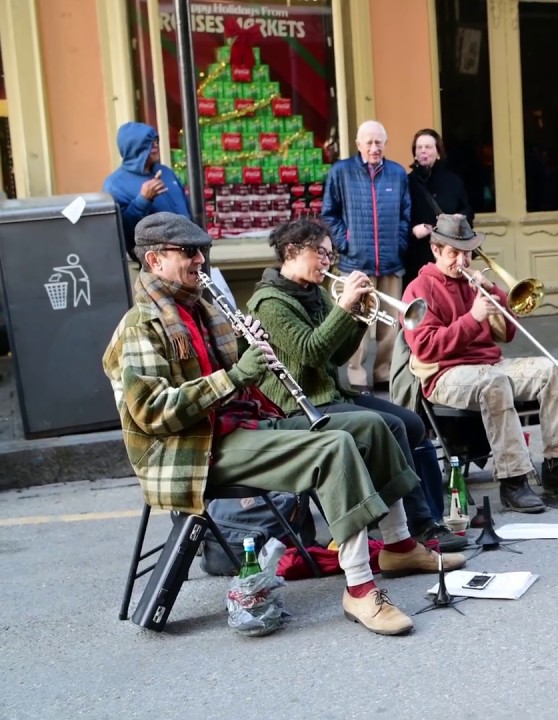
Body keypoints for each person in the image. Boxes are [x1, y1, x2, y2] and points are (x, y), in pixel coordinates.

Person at [101, 212, 451, 636]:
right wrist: (236, 376)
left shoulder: (202, 308)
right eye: (189, 252)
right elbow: (153, 412)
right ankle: (360, 589)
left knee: (373, 425)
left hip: (238, 424)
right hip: (192, 450)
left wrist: (249, 350)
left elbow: (266, 367)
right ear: (155, 260)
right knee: (334, 446)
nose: (200, 260)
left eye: (202, 251)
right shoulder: (141, 326)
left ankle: (398, 545)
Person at [244, 219, 467, 552]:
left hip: (330, 395)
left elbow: (337, 356)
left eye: (330, 254)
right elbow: (311, 352)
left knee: (412, 423)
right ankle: (419, 527)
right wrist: (344, 307)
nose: (326, 262)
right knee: (389, 426)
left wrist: (361, 318)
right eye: (320, 253)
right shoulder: (269, 302)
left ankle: (426, 513)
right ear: (291, 251)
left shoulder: (316, 294)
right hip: (297, 405)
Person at [403, 214, 558, 513]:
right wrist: (472, 319)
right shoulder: (418, 289)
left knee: (554, 370)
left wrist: (493, 291)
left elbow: (506, 334)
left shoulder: (472, 283)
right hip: (444, 374)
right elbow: (426, 348)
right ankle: (513, 481)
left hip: (489, 365)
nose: (462, 262)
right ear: (436, 250)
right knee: (495, 383)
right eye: (454, 253)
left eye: (467, 253)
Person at [321, 119, 411, 390]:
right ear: (358, 144)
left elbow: (405, 214)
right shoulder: (341, 171)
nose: (374, 147)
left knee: (390, 325)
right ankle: (356, 375)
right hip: (356, 263)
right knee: (357, 322)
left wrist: (398, 244)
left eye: (379, 142)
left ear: (386, 143)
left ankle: (383, 373)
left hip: (391, 262)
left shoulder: (397, 173)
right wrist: (345, 243)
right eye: (369, 142)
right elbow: (329, 213)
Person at [102, 122, 192, 260]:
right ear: (134, 148)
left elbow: (187, 208)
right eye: (149, 143)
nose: (156, 146)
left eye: (156, 141)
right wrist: (143, 200)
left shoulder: (166, 172)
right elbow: (123, 230)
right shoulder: (115, 185)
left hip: (190, 253)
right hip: (157, 262)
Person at [405, 128, 473, 281]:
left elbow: (468, 210)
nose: (423, 151)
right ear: (414, 153)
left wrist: (461, 217)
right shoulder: (407, 182)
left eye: (428, 147)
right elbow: (397, 217)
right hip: (418, 255)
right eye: (419, 147)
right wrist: (412, 230)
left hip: (450, 255)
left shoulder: (453, 181)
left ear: (438, 153)